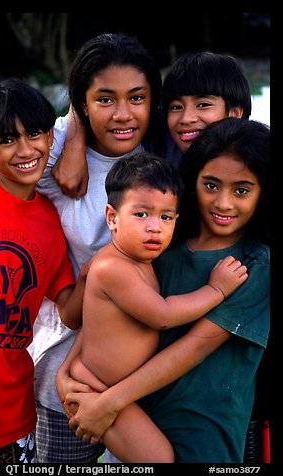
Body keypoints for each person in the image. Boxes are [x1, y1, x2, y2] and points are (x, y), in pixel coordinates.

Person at [61, 118, 270, 463]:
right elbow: (103, 318)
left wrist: (107, 401)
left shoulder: (253, 264)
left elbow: (193, 348)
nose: (224, 203)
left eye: (242, 190)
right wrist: (66, 374)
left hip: (200, 429)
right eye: (211, 185)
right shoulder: (161, 248)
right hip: (133, 412)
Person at [27, 32, 171, 463]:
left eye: (138, 98)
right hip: (70, 376)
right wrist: (72, 136)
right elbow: (2, 164)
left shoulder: (168, 156)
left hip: (150, 375)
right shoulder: (50, 151)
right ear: (83, 103)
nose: (123, 114)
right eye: (105, 99)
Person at [0, 78, 88, 464]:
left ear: (51, 137)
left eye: (34, 133)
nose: (25, 149)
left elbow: (69, 311)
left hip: (10, 419)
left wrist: (102, 268)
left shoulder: (51, 223)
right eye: (7, 140)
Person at [54, 50, 251, 198]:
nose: (186, 118)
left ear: (234, 114)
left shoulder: (257, 160)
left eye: (203, 105)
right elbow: (89, 96)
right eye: (175, 107)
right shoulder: (160, 141)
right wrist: (74, 143)